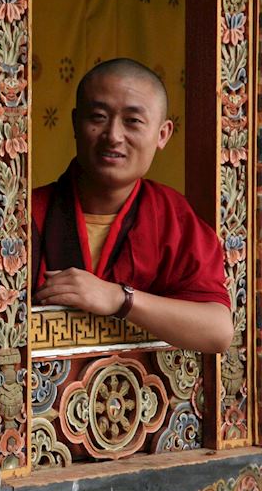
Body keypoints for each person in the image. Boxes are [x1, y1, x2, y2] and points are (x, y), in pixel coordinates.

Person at [31, 58, 233, 353]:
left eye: (133, 121)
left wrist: (119, 298)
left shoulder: (172, 217)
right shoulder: (24, 215)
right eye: (98, 117)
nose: (113, 136)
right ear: (76, 123)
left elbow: (217, 331)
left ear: (162, 134)